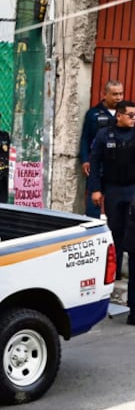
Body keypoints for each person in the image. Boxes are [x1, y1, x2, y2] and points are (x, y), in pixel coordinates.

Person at [87, 99, 135, 325]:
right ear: (120, 116)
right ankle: (110, 279)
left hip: (133, 190)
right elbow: (95, 162)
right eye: (131, 115)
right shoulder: (106, 135)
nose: (134, 119)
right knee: (113, 236)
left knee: (132, 240)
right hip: (114, 190)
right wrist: (95, 189)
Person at [80, 80, 124, 218]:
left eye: (121, 94)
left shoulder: (126, 114)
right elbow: (85, 138)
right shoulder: (93, 114)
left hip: (119, 166)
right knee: (94, 202)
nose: (118, 98)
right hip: (98, 165)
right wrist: (85, 160)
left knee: (119, 204)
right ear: (105, 94)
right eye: (115, 94)